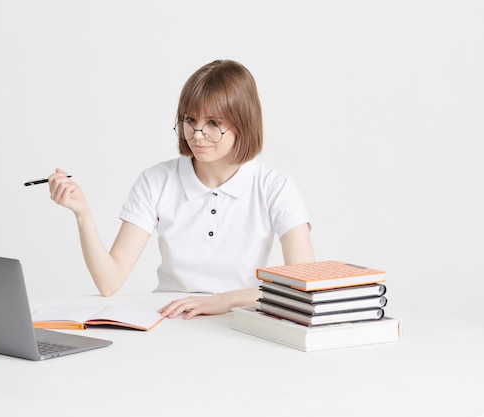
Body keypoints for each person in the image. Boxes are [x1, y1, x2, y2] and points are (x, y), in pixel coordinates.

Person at [48, 60, 314, 320]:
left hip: (241, 321)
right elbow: (109, 282)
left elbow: (303, 285)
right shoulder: (156, 180)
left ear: (243, 124)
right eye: (190, 119)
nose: (197, 134)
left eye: (213, 123)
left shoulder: (275, 187)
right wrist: (82, 213)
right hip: (171, 319)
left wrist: (226, 300)